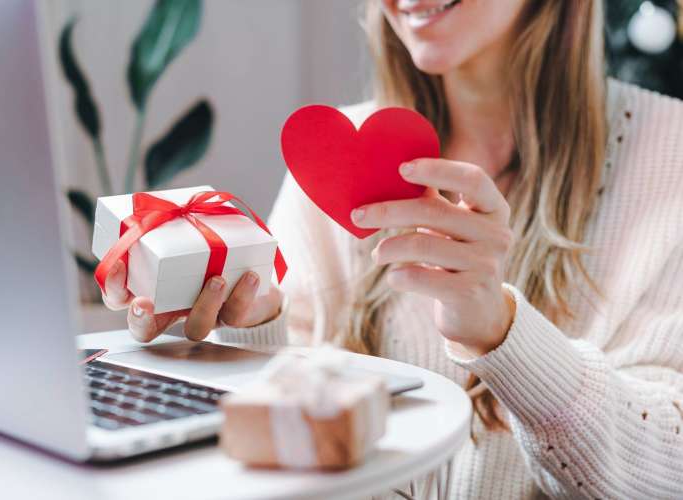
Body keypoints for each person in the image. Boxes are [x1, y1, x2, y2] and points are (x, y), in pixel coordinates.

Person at [101, 0, 683, 498]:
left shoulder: (670, 156)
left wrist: (503, 333)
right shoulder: (332, 165)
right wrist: (252, 329)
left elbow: (667, 469)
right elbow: (280, 459)